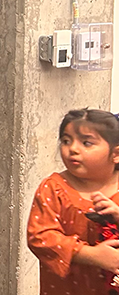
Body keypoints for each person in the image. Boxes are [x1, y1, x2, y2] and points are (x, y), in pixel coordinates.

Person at [27, 109, 119, 294]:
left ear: (116, 154)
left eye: (86, 143)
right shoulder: (54, 188)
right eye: (66, 141)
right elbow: (40, 237)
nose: (73, 149)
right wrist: (90, 255)